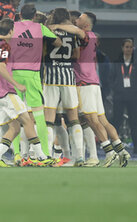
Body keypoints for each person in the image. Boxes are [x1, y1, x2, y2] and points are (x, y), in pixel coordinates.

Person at [55, 12, 131, 167]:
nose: (76, 20)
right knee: (102, 120)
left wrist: (56, 27)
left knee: (92, 120)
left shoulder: (83, 35)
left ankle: (109, 152)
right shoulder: (93, 37)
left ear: (86, 24)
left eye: (80, 19)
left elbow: (76, 51)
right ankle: (121, 150)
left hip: (84, 83)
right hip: (94, 83)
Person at [0, 18, 53, 167]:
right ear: (11, 31)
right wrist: (17, 84)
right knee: (28, 121)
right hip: (7, 93)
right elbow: (1, 68)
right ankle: (41, 157)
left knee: (15, 128)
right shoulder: (5, 46)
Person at [43, 8, 84, 166]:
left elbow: (43, 52)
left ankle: (48, 154)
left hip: (51, 76)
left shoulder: (48, 31)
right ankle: (79, 156)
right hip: (68, 75)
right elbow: (77, 55)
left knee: (49, 120)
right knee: (73, 119)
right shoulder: (74, 32)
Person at [111, 39, 137, 154]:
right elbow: (111, 78)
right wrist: (115, 89)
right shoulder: (116, 62)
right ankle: (115, 147)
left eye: (131, 47)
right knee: (117, 121)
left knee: (134, 122)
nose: (129, 49)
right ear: (122, 48)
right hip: (119, 96)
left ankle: (136, 148)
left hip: (133, 96)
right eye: (126, 47)